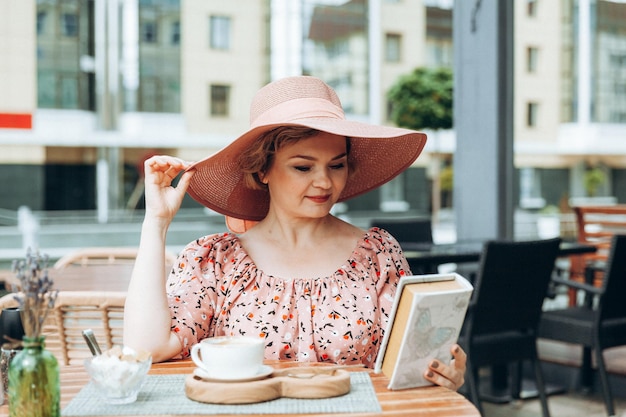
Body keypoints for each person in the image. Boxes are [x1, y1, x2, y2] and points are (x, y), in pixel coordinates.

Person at [123, 76, 466, 390]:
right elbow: (145, 349)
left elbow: (409, 366)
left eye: (337, 165)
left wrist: (440, 375)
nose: (324, 182)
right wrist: (156, 222)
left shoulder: (377, 254)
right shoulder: (215, 261)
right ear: (263, 170)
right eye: (303, 167)